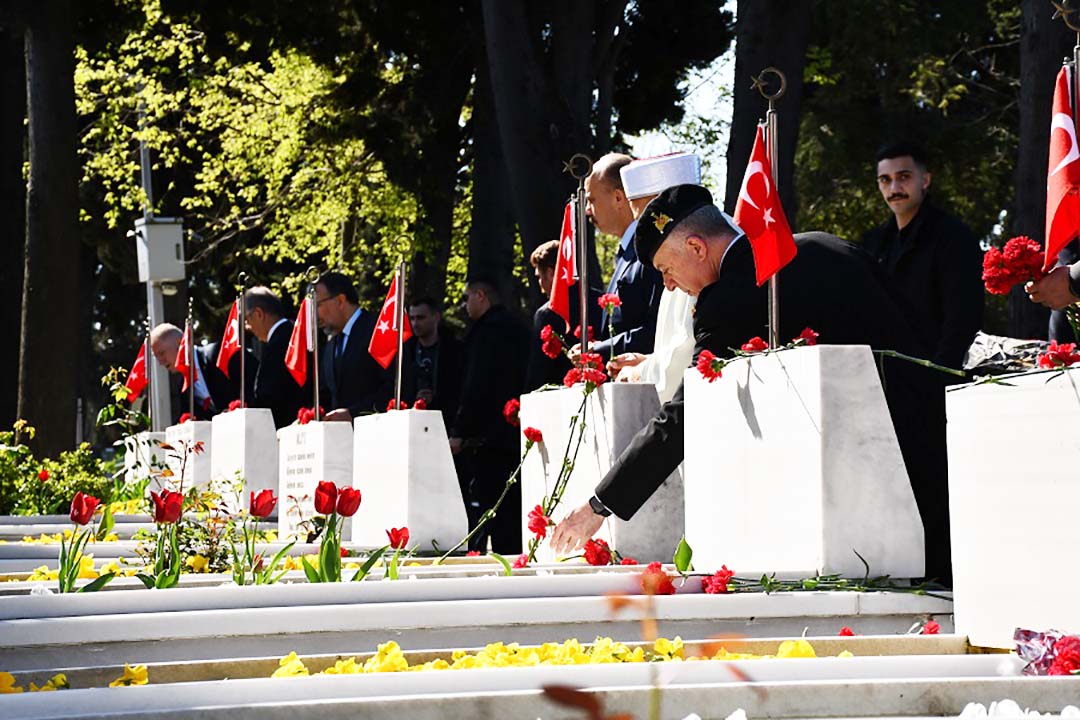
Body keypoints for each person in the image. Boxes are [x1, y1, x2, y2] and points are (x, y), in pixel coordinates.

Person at [550, 185, 952, 584]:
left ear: (696, 247)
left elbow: (683, 416)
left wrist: (599, 506)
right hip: (931, 431)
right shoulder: (824, 246)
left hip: (877, 480)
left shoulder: (728, 300)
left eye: (665, 270)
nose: (669, 285)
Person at [861, 141, 983, 373]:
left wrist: (941, 374)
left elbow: (964, 315)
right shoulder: (873, 244)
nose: (894, 187)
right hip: (887, 374)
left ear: (925, 180)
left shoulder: (953, 236)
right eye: (885, 180)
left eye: (904, 176)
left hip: (938, 371)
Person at [606, 152, 703, 403]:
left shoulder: (690, 252)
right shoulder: (676, 253)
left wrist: (637, 372)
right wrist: (649, 360)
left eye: (642, 219)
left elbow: (686, 357)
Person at [449, 276, 531, 553]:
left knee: (490, 510)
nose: (464, 305)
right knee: (512, 511)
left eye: (467, 297)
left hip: (487, 437)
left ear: (481, 296)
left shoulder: (484, 333)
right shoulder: (519, 327)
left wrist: (461, 430)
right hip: (514, 429)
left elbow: (476, 384)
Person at [583, 153, 663, 358]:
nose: (587, 211)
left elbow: (658, 330)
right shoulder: (627, 252)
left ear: (618, 198)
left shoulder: (651, 250)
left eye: (591, 200)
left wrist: (599, 350)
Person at [523, 239, 601, 391]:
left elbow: (539, 371)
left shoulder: (546, 314)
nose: (540, 285)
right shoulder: (599, 301)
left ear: (551, 273)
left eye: (539, 276)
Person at [314, 272, 390, 421]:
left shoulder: (377, 331)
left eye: (318, 305)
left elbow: (394, 388)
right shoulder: (331, 345)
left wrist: (353, 414)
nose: (315, 313)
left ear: (340, 301)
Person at [149, 322, 256, 422]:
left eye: (162, 353)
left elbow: (255, 381)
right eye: (156, 357)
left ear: (180, 344)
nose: (160, 362)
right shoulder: (183, 387)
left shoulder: (219, 354)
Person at [243, 286, 306, 429]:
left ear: (259, 314)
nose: (247, 327)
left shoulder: (280, 342)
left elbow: (270, 397)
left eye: (247, 319)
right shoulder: (290, 335)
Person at [401, 296, 463, 426]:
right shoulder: (406, 352)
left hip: (446, 421)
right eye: (412, 318)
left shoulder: (455, 351)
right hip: (412, 420)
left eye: (421, 318)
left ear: (436, 317)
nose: (415, 324)